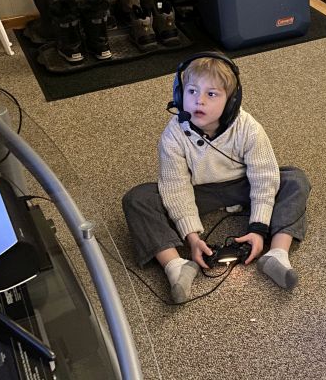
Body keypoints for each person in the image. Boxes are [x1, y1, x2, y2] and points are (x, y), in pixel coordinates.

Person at [122, 53, 310, 303]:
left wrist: (258, 228)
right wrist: (192, 238)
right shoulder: (173, 135)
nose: (198, 100)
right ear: (179, 94)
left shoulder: (249, 128)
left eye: (211, 94)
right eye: (191, 91)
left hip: (243, 184)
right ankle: (175, 266)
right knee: (138, 199)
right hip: (199, 191)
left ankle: (276, 253)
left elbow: (263, 178)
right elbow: (176, 188)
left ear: (231, 101)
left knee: (295, 179)